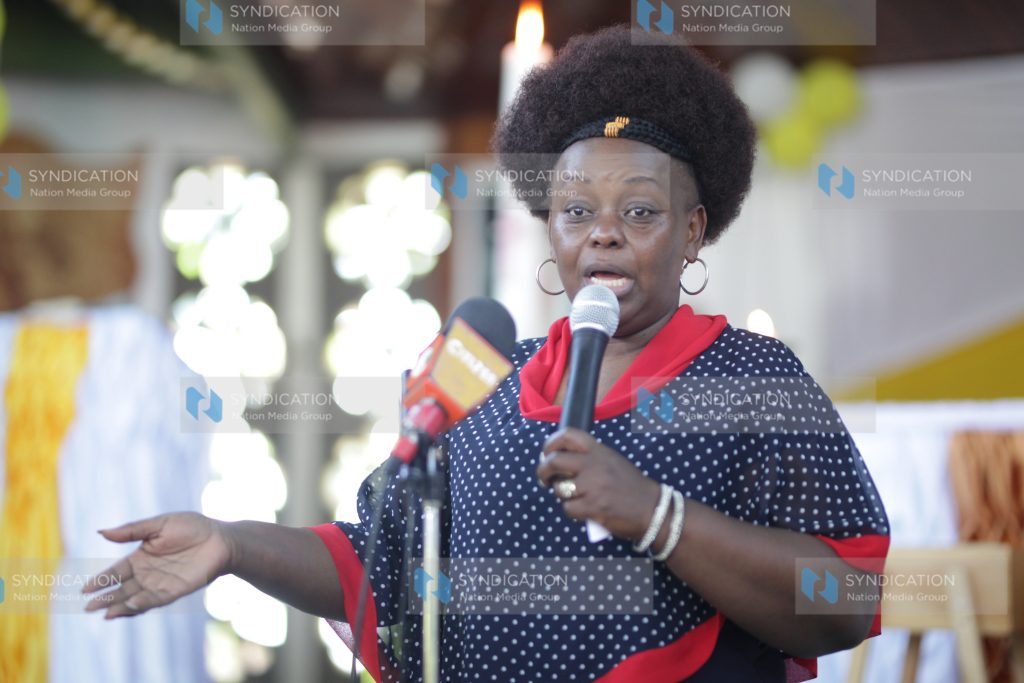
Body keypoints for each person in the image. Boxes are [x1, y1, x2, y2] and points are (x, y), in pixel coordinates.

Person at [84, 25, 889, 682]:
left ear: (692, 231)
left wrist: (655, 514)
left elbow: (847, 595)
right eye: (575, 210)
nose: (602, 231)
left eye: (639, 211)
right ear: (550, 227)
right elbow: (376, 559)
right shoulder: (484, 373)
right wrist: (233, 544)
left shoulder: (752, 376)